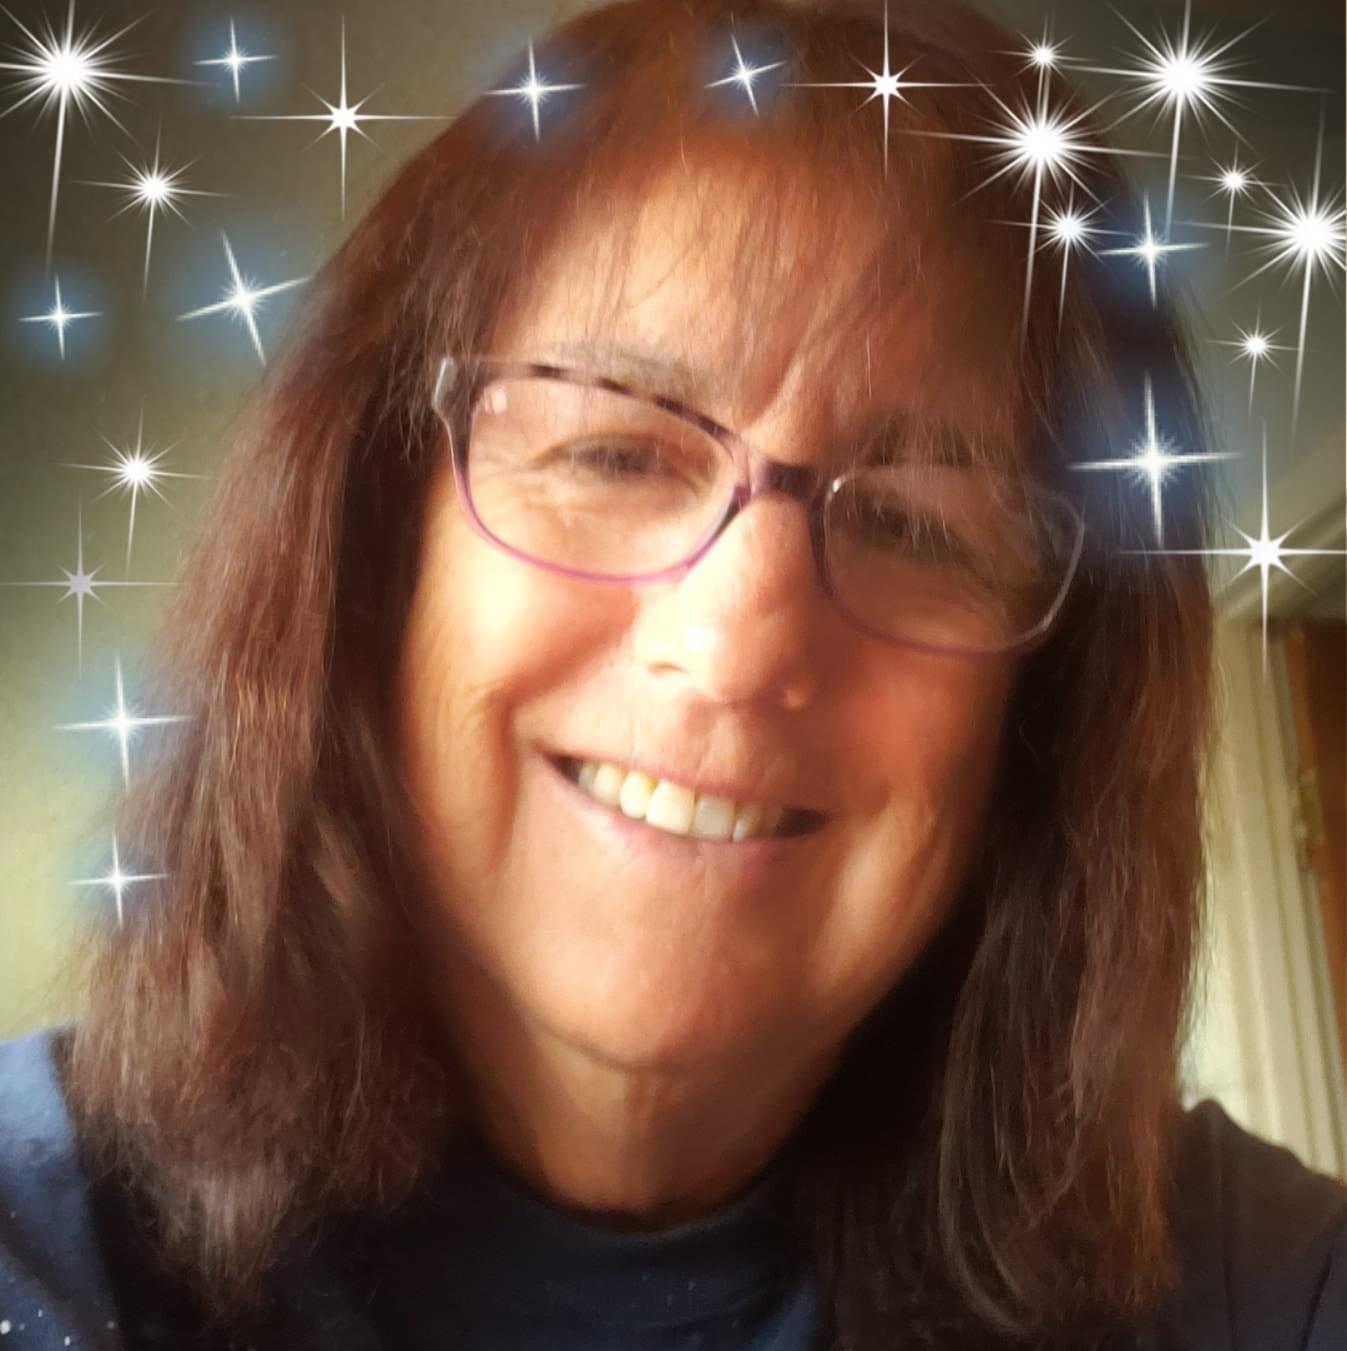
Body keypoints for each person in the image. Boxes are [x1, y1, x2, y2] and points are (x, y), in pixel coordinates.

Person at [2, 0, 1344, 1348]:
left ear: (1038, 721)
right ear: (378, 559)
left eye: (915, 525)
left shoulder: (1248, 1282)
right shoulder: (47, 1247)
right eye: (613, 453)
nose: (734, 649)